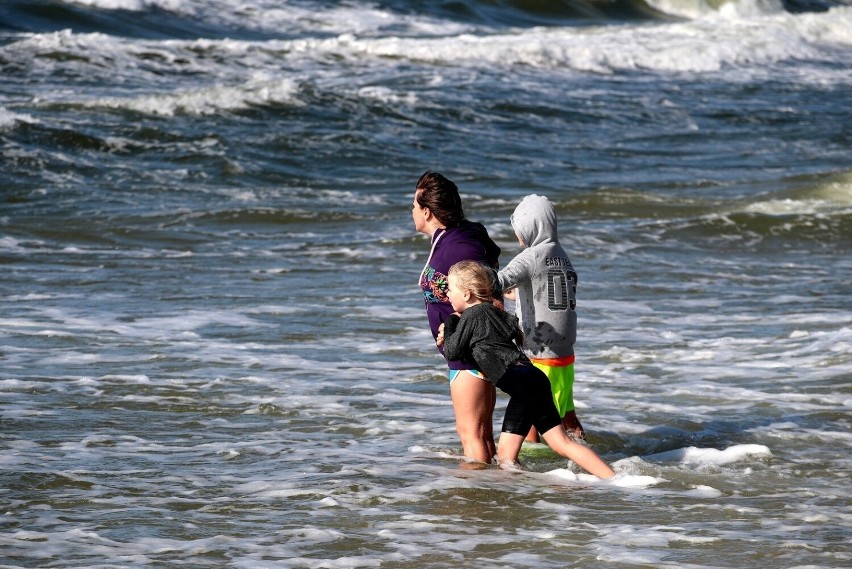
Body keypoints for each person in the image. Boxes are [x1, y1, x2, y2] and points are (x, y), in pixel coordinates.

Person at [437, 260, 614, 478]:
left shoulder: (472, 316)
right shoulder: (494, 312)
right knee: (561, 443)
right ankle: (614, 478)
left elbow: (453, 351)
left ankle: (520, 501)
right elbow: (506, 333)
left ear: (467, 294)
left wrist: (451, 323)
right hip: (534, 378)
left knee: (506, 458)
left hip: (523, 386)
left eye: (451, 289)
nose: (447, 295)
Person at [413, 171, 501, 464]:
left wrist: (459, 328)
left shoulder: (460, 244)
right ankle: (497, 498)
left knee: (472, 435)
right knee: (482, 436)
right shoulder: (454, 237)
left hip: (469, 350)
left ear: (426, 211)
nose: (411, 212)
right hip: (469, 347)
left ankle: (474, 500)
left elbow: (487, 289)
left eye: (414, 206)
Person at [498, 194, 586, 442]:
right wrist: (519, 297)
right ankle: (582, 451)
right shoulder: (561, 256)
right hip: (565, 354)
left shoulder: (531, 256)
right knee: (567, 415)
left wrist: (470, 280)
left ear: (529, 227)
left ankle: (538, 475)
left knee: (533, 422)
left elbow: (498, 281)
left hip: (541, 356)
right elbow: (548, 294)